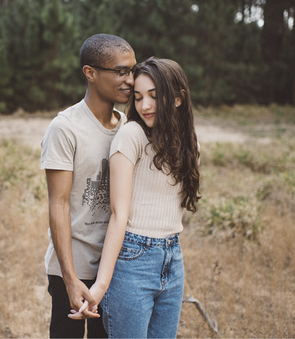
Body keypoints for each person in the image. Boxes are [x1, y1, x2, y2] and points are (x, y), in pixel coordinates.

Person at [69, 57, 201, 338]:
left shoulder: (186, 140)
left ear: (178, 99)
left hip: (173, 259)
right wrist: (101, 286)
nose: (145, 106)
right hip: (133, 259)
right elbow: (119, 215)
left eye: (154, 96)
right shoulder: (132, 135)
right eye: (139, 97)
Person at [40, 33, 135, 338]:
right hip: (73, 267)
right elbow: (59, 203)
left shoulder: (129, 128)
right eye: (121, 71)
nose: (130, 80)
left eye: (132, 71)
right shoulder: (65, 128)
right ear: (90, 73)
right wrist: (69, 278)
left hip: (116, 266)